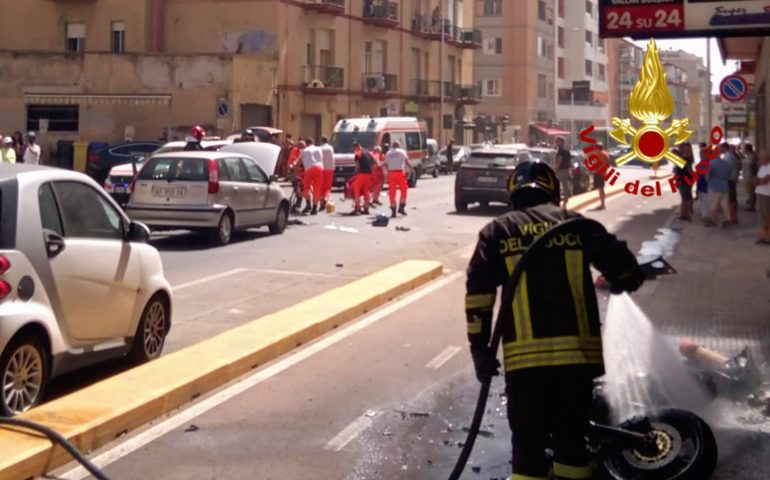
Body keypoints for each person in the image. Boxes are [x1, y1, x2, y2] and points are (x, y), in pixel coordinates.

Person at [465, 160, 644, 480]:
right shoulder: (577, 225)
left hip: (525, 365)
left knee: (528, 452)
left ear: (513, 195)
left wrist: (480, 351)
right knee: (572, 446)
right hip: (576, 361)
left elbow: (479, 298)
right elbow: (627, 270)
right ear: (554, 192)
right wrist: (623, 279)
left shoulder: (497, 232)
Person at [705, 143, 734, 228]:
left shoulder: (710, 163)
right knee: (725, 204)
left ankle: (712, 220)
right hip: (724, 186)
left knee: (713, 205)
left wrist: (709, 180)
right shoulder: (726, 163)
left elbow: (707, 175)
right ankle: (728, 220)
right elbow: (729, 173)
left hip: (714, 186)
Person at [384, 140, 412, 218]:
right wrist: (411, 169)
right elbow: (407, 162)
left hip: (391, 173)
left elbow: (386, 164)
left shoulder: (388, 153)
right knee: (404, 189)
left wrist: (387, 173)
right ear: (399, 146)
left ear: (392, 146)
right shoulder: (402, 152)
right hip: (400, 173)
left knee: (392, 192)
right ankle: (401, 207)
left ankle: (393, 210)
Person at [300, 138, 324, 215]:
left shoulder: (305, 150)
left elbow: (299, 161)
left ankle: (308, 204)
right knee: (317, 189)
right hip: (320, 168)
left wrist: (294, 169)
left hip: (310, 169)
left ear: (306, 144)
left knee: (306, 188)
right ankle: (314, 208)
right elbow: (321, 158)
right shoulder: (319, 149)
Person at [673, 142, 695, 221]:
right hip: (685, 179)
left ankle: (684, 214)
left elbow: (688, 170)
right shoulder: (688, 158)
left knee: (684, 198)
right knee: (687, 197)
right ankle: (687, 212)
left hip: (683, 180)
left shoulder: (684, 159)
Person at [351, 141, 374, 215]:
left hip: (362, 173)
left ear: (356, 147)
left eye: (354, 148)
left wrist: (355, 172)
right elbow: (373, 161)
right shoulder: (367, 152)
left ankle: (357, 207)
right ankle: (366, 208)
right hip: (369, 173)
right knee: (365, 190)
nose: (354, 150)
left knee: (356, 188)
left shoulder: (357, 153)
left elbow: (357, 165)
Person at [754, 150, 770, 245]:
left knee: (766, 216)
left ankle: (767, 236)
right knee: (763, 216)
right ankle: (764, 235)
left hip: (766, 194)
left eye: (761, 157)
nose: (759, 159)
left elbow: (764, 180)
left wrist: (756, 181)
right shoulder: (762, 167)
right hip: (761, 193)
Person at [554, 136, 572, 208]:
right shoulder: (567, 150)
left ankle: (557, 200)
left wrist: (556, 169)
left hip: (561, 170)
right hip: (566, 169)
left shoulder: (561, 150)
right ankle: (566, 199)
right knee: (565, 185)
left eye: (557, 141)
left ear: (561, 142)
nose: (556, 143)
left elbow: (559, 160)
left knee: (557, 184)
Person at [726, 144, 742, 224]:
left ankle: (732, 217)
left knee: (731, 199)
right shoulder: (733, 156)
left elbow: (727, 169)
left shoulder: (729, 156)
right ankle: (734, 217)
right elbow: (740, 163)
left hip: (729, 179)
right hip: (732, 179)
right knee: (733, 199)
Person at [319, 136, 335, 209]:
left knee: (321, 186)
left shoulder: (319, 148)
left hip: (322, 168)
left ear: (321, 141)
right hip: (330, 169)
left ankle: (322, 201)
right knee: (327, 187)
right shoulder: (331, 148)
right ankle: (326, 198)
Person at [592, 143, 609, 210]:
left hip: (599, 173)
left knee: (600, 189)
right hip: (603, 173)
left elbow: (596, 163)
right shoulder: (605, 153)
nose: (594, 150)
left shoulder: (600, 154)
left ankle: (602, 204)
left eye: (595, 149)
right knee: (601, 188)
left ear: (597, 148)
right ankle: (602, 203)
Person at [696, 143, 709, 221]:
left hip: (706, 186)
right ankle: (704, 215)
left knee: (705, 202)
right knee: (702, 201)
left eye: (702, 154)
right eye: (700, 153)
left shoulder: (707, 163)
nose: (700, 155)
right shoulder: (702, 163)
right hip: (700, 185)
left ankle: (706, 216)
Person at [744, 144, 757, 211]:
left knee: (751, 192)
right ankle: (751, 204)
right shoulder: (749, 156)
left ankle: (752, 206)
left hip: (752, 176)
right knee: (750, 192)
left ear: (747, 149)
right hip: (749, 176)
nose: (744, 150)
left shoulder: (752, 156)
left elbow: (750, 164)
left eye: (745, 149)